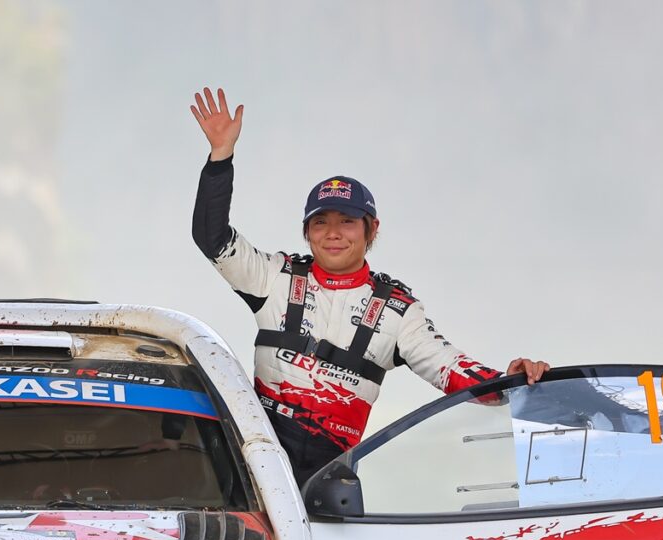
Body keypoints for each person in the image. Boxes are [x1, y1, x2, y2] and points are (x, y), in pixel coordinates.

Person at [190, 87, 549, 485]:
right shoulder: (276, 277)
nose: (333, 233)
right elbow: (212, 238)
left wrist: (515, 382)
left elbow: (449, 369)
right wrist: (221, 157)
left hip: (328, 476)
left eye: (346, 221)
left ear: (371, 229)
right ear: (307, 231)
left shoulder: (397, 310)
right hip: (256, 458)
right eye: (321, 222)